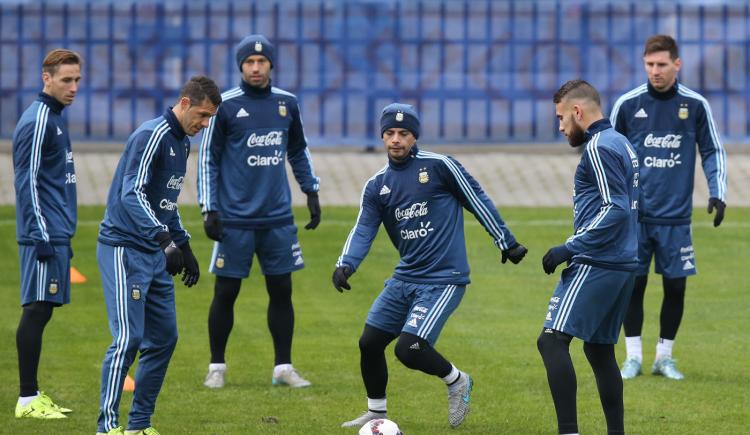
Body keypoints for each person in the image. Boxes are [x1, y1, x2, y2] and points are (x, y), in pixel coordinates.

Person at [333, 103, 528, 429]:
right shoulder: (377, 185)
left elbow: (476, 198)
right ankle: (377, 414)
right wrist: (346, 264)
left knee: (409, 349)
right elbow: (364, 227)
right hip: (405, 276)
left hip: (444, 279)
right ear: (382, 136)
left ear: (414, 136)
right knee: (369, 343)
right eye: (390, 133)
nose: (396, 140)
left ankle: (457, 381)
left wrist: (505, 241)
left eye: (403, 133)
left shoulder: (439, 166)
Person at [95, 76, 221, 435]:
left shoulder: (182, 144)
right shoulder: (151, 135)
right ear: (184, 103)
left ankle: (139, 426)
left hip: (155, 252)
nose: (204, 123)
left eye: (210, 117)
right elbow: (130, 194)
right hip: (125, 249)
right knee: (127, 339)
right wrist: (164, 237)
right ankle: (107, 428)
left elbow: (165, 204)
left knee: (164, 338)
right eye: (202, 114)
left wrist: (184, 246)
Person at [197, 34, 320, 389]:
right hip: (235, 219)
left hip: (277, 218)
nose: (255, 67)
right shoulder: (226, 106)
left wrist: (311, 190)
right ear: (240, 66)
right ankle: (216, 367)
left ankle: (283, 368)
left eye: (261, 62)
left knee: (282, 290)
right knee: (226, 291)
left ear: (270, 65)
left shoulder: (287, 103)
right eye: (249, 62)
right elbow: (208, 158)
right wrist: (210, 208)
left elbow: (298, 149)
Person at [610, 35, 728, 380]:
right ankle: (632, 357)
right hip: (636, 216)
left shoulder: (695, 105)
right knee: (634, 285)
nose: (655, 71)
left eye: (662, 64)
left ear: (677, 64)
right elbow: (605, 151)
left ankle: (664, 356)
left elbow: (712, 150)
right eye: (649, 64)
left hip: (676, 218)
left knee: (676, 287)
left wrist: (717, 192)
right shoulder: (629, 104)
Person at [538, 79, 639, 435]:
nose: (560, 126)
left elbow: (616, 208)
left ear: (578, 112)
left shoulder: (598, 146)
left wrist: (570, 247)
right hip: (624, 262)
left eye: (562, 117)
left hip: (599, 261)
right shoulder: (622, 143)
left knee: (551, 340)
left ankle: (569, 432)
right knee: (599, 351)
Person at [12, 48, 82, 420]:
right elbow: (26, 181)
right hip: (44, 232)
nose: (73, 88)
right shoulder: (39, 120)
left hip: (57, 231)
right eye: (66, 80)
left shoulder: (56, 117)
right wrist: (40, 234)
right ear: (47, 78)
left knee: (44, 309)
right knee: (36, 309)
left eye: (77, 81)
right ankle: (26, 399)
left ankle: (33, 393)